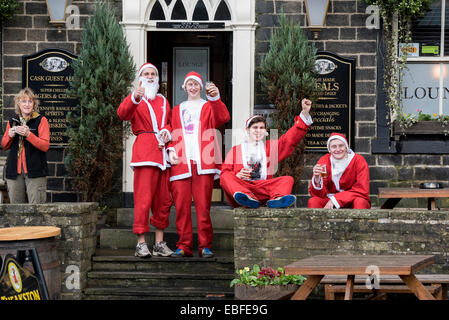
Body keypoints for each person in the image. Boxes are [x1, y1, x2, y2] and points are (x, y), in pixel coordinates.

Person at [167, 71, 230, 258]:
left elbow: (223, 117)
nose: (193, 87)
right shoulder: (176, 109)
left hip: (203, 161)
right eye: (190, 84)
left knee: (203, 207)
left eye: (196, 84)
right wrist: (170, 148)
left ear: (201, 87)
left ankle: (205, 245)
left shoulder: (208, 106)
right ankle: (184, 245)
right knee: (181, 207)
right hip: (181, 163)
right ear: (184, 87)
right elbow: (169, 131)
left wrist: (216, 98)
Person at [117, 62, 174, 258]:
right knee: (143, 200)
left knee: (163, 200)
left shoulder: (164, 101)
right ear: (140, 77)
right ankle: (141, 243)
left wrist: (166, 132)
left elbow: (168, 123)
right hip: (144, 153)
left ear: (157, 78)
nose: (150, 77)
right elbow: (122, 114)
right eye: (146, 74)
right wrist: (134, 97)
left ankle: (159, 242)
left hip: (162, 154)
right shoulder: (136, 99)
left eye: (153, 74)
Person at [220, 98, 313, 209]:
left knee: (287, 179)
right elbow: (225, 173)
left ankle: (277, 199)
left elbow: (289, 140)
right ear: (247, 130)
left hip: (263, 188)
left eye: (261, 128)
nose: (258, 131)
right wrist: (237, 175)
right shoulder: (236, 150)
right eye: (254, 127)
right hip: (242, 188)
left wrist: (304, 113)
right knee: (225, 176)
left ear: (265, 132)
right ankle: (246, 199)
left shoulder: (270, 147)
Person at [1, 88, 49, 204]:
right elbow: (4, 145)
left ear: (34, 104)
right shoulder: (13, 121)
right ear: (18, 103)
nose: (27, 104)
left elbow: (45, 145)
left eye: (30, 101)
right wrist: (10, 135)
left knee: (36, 210)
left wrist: (29, 135)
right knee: (17, 211)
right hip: (15, 172)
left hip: (35, 171)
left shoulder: (41, 120)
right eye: (24, 101)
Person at [308, 132, 371, 209]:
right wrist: (317, 180)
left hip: (352, 200)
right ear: (329, 149)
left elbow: (362, 189)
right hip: (329, 200)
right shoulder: (324, 161)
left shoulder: (358, 160)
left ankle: (358, 221)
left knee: (360, 202)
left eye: (341, 146)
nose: (338, 149)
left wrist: (336, 199)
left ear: (346, 147)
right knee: (313, 201)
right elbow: (320, 194)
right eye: (334, 147)